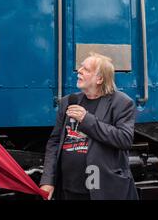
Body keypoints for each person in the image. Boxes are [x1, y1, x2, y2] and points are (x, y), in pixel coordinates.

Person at [40, 52, 138, 200]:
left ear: (99, 78)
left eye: (85, 69)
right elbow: (54, 143)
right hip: (68, 189)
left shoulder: (121, 103)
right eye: (80, 67)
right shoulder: (69, 101)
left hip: (102, 189)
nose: (79, 71)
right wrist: (48, 180)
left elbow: (124, 139)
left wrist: (86, 119)